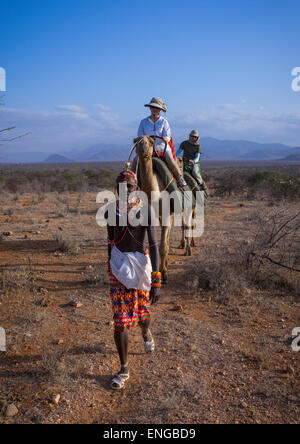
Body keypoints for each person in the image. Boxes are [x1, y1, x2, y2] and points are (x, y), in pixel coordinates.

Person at [106, 168, 161, 390]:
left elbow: (155, 245)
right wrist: (109, 266)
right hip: (118, 267)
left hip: (140, 267)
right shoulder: (111, 210)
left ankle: (146, 333)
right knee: (120, 321)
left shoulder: (146, 209)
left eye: (129, 186)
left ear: (136, 188)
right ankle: (124, 368)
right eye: (121, 186)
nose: (125, 190)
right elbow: (109, 242)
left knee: (142, 313)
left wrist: (156, 279)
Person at [132, 97, 187, 187]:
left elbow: (167, 136)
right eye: (153, 107)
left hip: (162, 148)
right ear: (150, 108)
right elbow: (140, 135)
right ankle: (131, 182)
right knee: (135, 161)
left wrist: (165, 138)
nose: (154, 109)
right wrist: (145, 139)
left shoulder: (164, 122)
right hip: (147, 150)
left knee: (171, 161)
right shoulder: (143, 122)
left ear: (160, 110)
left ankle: (180, 178)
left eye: (157, 108)